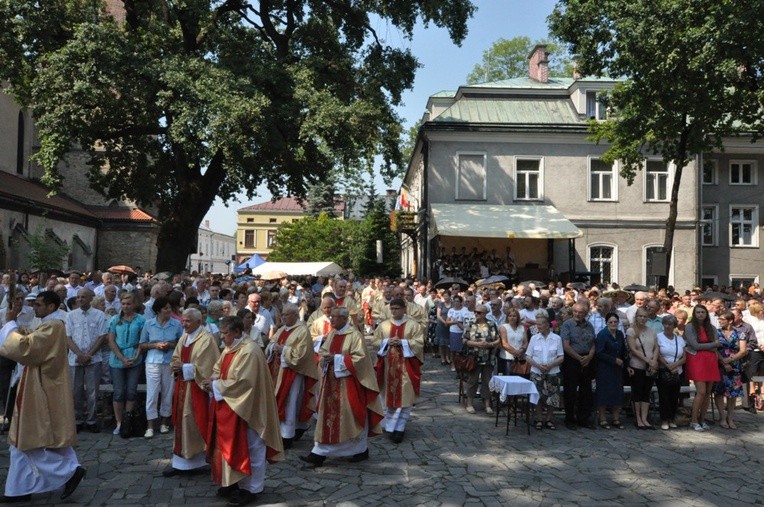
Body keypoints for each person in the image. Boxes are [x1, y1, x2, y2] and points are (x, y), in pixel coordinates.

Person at [0, 290, 86, 502]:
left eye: (38, 304)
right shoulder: (47, 325)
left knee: (28, 440)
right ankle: (18, 490)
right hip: (33, 385)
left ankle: (69, 471)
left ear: (51, 307)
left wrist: (10, 324)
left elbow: (26, 349)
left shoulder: (54, 326)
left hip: (41, 389)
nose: (34, 308)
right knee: (19, 444)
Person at [202, 316, 284, 506]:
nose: (222, 338)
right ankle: (235, 482)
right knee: (231, 445)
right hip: (233, 405)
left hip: (251, 408)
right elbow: (218, 367)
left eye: (225, 334)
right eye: (221, 333)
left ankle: (252, 488)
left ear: (237, 332)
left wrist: (215, 384)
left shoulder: (249, 351)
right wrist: (212, 379)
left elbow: (244, 383)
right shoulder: (232, 348)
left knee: (253, 446)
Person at [300, 307, 383, 468]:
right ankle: (320, 452)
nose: (331, 320)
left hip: (348, 385)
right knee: (329, 419)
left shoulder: (355, 336)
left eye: (335, 317)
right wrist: (326, 358)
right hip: (330, 383)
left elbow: (361, 359)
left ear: (345, 319)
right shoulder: (331, 335)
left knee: (349, 417)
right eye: (331, 317)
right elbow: (324, 352)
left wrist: (337, 359)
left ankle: (356, 449)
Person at [165, 308, 220, 477]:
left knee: (193, 421)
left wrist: (184, 367)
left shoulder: (206, 340)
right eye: (183, 320)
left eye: (188, 321)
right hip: (182, 384)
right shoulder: (184, 338)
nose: (184, 324)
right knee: (181, 422)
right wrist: (175, 365)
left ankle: (197, 461)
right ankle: (180, 463)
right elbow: (176, 357)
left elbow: (207, 366)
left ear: (198, 321)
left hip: (196, 389)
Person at [266, 303, 318, 448]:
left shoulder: (302, 331)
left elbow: (301, 354)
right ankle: (287, 430)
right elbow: (271, 343)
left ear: (295, 315)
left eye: (286, 315)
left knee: (290, 402)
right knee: (281, 400)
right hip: (278, 372)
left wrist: (284, 349)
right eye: (282, 315)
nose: (283, 317)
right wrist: (272, 348)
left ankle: (287, 434)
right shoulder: (282, 329)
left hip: (293, 373)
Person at [372, 298, 424, 442]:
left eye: (397, 308)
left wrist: (403, 342)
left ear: (404, 309)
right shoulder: (383, 326)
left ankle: (400, 428)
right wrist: (386, 342)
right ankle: (390, 426)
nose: (394, 311)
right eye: (392, 309)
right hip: (388, 367)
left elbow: (419, 343)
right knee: (387, 398)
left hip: (406, 368)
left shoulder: (413, 325)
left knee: (405, 398)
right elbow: (375, 341)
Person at [66, 288, 109, 433]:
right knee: (75, 391)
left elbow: (102, 336)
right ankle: (77, 419)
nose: (80, 299)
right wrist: (79, 354)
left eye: (83, 297)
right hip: (75, 358)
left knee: (92, 391)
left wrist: (89, 354)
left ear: (91, 298)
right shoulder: (70, 316)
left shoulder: (99, 315)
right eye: (78, 297)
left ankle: (91, 420)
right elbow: (68, 337)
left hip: (94, 358)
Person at [139, 296, 182, 438]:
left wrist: (169, 345)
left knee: (168, 392)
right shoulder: (149, 324)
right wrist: (155, 345)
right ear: (158, 310)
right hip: (153, 361)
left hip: (169, 361)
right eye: (165, 308)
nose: (169, 310)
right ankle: (150, 424)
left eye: (169, 308)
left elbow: (181, 343)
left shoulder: (176, 324)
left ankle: (164, 422)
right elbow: (142, 344)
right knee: (152, 393)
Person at [107, 292, 146, 436]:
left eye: (128, 304)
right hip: (118, 358)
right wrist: (122, 358)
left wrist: (136, 356)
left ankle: (128, 419)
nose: (125, 306)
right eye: (123, 304)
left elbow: (143, 340)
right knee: (118, 392)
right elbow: (111, 340)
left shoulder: (140, 320)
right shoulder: (115, 320)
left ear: (134, 304)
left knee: (131, 391)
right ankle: (118, 422)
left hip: (135, 357)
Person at [684, 305, 721, 431]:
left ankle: (702, 419)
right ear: (694, 314)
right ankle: (693, 421)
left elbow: (717, 346)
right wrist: (711, 345)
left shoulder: (712, 328)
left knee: (707, 393)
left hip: (710, 360)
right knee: (701, 391)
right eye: (698, 312)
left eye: (703, 312)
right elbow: (695, 345)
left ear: (706, 314)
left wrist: (707, 345)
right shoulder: (689, 327)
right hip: (696, 360)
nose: (700, 314)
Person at [560, 304, 596, 430]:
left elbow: (592, 343)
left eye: (580, 312)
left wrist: (589, 356)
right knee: (570, 390)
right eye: (575, 311)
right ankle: (569, 418)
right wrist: (579, 358)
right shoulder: (567, 325)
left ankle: (583, 418)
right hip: (572, 359)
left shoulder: (589, 325)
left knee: (586, 391)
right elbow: (566, 345)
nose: (577, 314)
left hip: (587, 359)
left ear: (585, 313)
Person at [526, 315, 564, 430]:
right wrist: (537, 365)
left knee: (553, 396)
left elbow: (561, 356)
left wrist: (550, 365)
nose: (538, 326)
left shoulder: (557, 338)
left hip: (553, 371)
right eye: (537, 324)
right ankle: (539, 418)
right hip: (536, 371)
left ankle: (549, 419)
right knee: (538, 395)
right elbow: (528, 356)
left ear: (547, 325)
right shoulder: (534, 338)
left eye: (540, 324)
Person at [461, 304, 500, 415]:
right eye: (475, 312)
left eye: (479, 312)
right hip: (474, 357)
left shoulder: (491, 324)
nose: (476, 314)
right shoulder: (471, 324)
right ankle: (469, 403)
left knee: (487, 381)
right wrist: (477, 344)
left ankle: (487, 404)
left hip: (488, 357)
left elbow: (498, 339)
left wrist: (490, 344)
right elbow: (464, 340)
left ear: (484, 314)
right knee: (472, 380)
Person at [626, 308, 659, 430]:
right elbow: (633, 349)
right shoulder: (631, 331)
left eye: (645, 317)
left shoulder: (652, 331)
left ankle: (645, 419)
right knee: (637, 392)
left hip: (650, 366)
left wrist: (654, 361)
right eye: (640, 316)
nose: (642, 319)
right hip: (637, 365)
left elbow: (656, 347)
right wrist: (648, 360)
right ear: (636, 317)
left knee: (646, 392)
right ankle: (638, 419)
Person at [714, 311, 747, 429]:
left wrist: (730, 360)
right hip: (719, 364)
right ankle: (722, 417)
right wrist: (723, 361)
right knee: (719, 391)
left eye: (722, 319)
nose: (720, 321)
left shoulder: (740, 333)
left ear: (730, 321)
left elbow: (743, 350)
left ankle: (730, 417)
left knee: (733, 393)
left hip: (735, 365)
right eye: (719, 319)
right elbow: (714, 349)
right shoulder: (716, 333)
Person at [595, 312, 627, 429]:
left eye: (615, 322)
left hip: (617, 369)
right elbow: (599, 352)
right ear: (606, 323)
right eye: (611, 322)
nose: (613, 324)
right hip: (605, 368)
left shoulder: (619, 334)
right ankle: (602, 418)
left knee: (617, 393)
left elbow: (623, 350)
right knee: (604, 393)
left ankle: (616, 418)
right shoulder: (602, 335)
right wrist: (613, 360)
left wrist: (624, 363)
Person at [656, 315, 686, 430]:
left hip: (677, 370)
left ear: (674, 326)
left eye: (670, 324)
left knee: (674, 396)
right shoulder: (658, 337)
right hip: (663, 370)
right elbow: (657, 354)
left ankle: (671, 418)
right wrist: (668, 366)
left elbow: (684, 357)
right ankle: (664, 419)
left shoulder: (679, 339)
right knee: (664, 396)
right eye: (665, 324)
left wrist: (675, 365)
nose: (667, 326)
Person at [498, 308, 526, 375]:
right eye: (510, 316)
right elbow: (504, 343)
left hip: (520, 358)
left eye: (514, 316)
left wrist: (521, 351)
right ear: (507, 317)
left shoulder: (522, 327)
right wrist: (515, 352)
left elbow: (525, 342)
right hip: (507, 358)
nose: (512, 318)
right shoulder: (503, 327)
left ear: (517, 317)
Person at [445, 295, 469, 372]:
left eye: (457, 301)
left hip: (462, 331)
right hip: (453, 331)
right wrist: (455, 322)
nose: (456, 303)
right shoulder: (451, 310)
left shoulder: (465, 310)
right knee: (453, 349)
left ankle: (462, 364)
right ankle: (453, 363)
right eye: (454, 301)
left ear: (461, 302)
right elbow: (447, 322)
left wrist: (459, 322)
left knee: (462, 349)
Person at [434, 291, 453, 366]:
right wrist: (444, 321)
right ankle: (442, 358)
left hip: (450, 325)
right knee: (441, 343)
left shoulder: (453, 304)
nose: (445, 297)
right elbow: (438, 315)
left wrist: (449, 322)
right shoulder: (440, 304)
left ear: (450, 296)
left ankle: (448, 357)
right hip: (441, 325)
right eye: (444, 296)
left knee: (448, 342)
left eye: (447, 296)